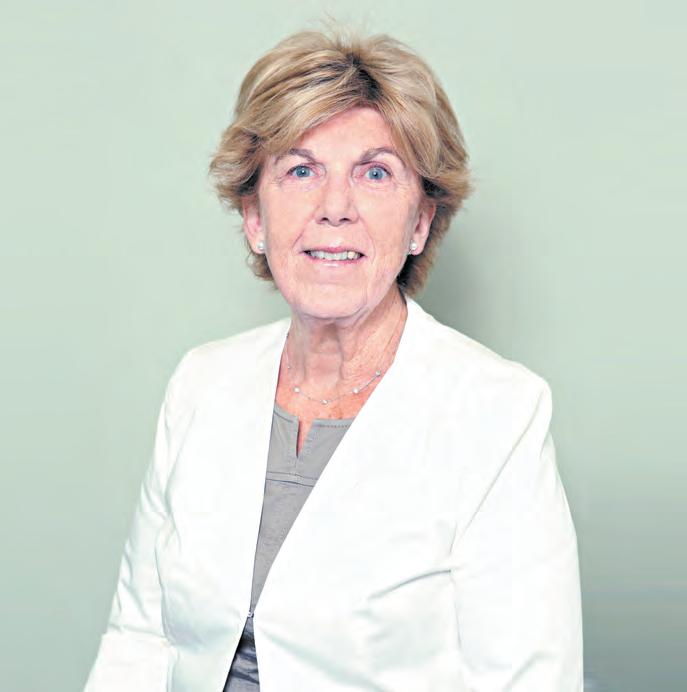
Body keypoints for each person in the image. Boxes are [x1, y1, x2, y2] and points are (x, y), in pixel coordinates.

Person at [84, 28, 583, 692]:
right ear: (254, 217)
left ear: (419, 222)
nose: (335, 209)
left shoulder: (498, 413)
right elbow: (140, 640)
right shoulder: (201, 384)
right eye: (301, 171)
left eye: (374, 173)